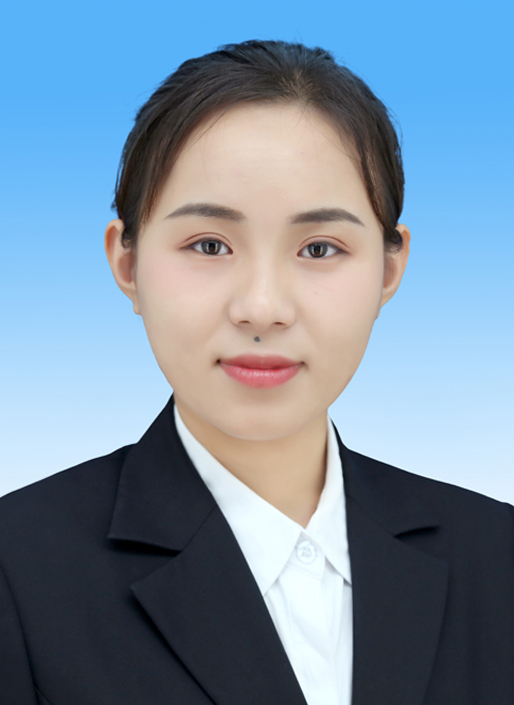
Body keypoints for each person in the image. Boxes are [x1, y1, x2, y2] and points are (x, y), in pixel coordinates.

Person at [0, 39, 513, 705]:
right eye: (209, 244)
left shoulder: (498, 558)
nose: (263, 307)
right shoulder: (18, 571)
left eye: (319, 248)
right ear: (126, 263)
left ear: (390, 270)